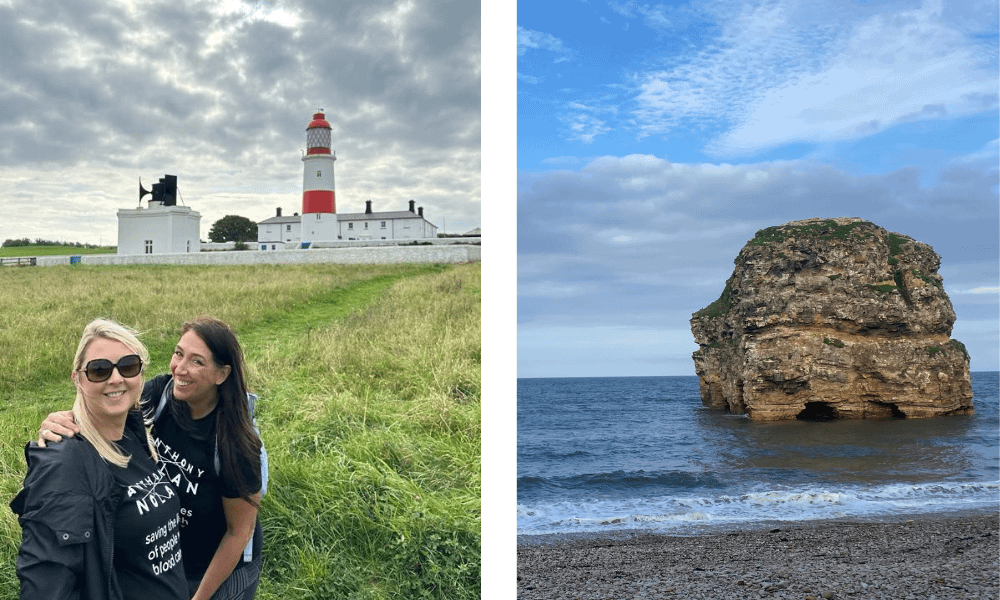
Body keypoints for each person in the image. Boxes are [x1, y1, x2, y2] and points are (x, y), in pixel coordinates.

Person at [39, 317, 264, 600]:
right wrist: (61, 421)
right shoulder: (162, 396)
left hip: (222, 563)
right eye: (178, 353)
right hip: (173, 552)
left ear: (221, 374)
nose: (179, 369)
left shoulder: (236, 445)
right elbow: (110, 402)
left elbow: (240, 531)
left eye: (197, 362)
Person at [11, 318, 188, 600]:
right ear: (77, 379)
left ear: (141, 373)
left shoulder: (133, 432)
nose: (116, 378)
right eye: (99, 370)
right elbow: (45, 584)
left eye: (128, 366)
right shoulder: (64, 465)